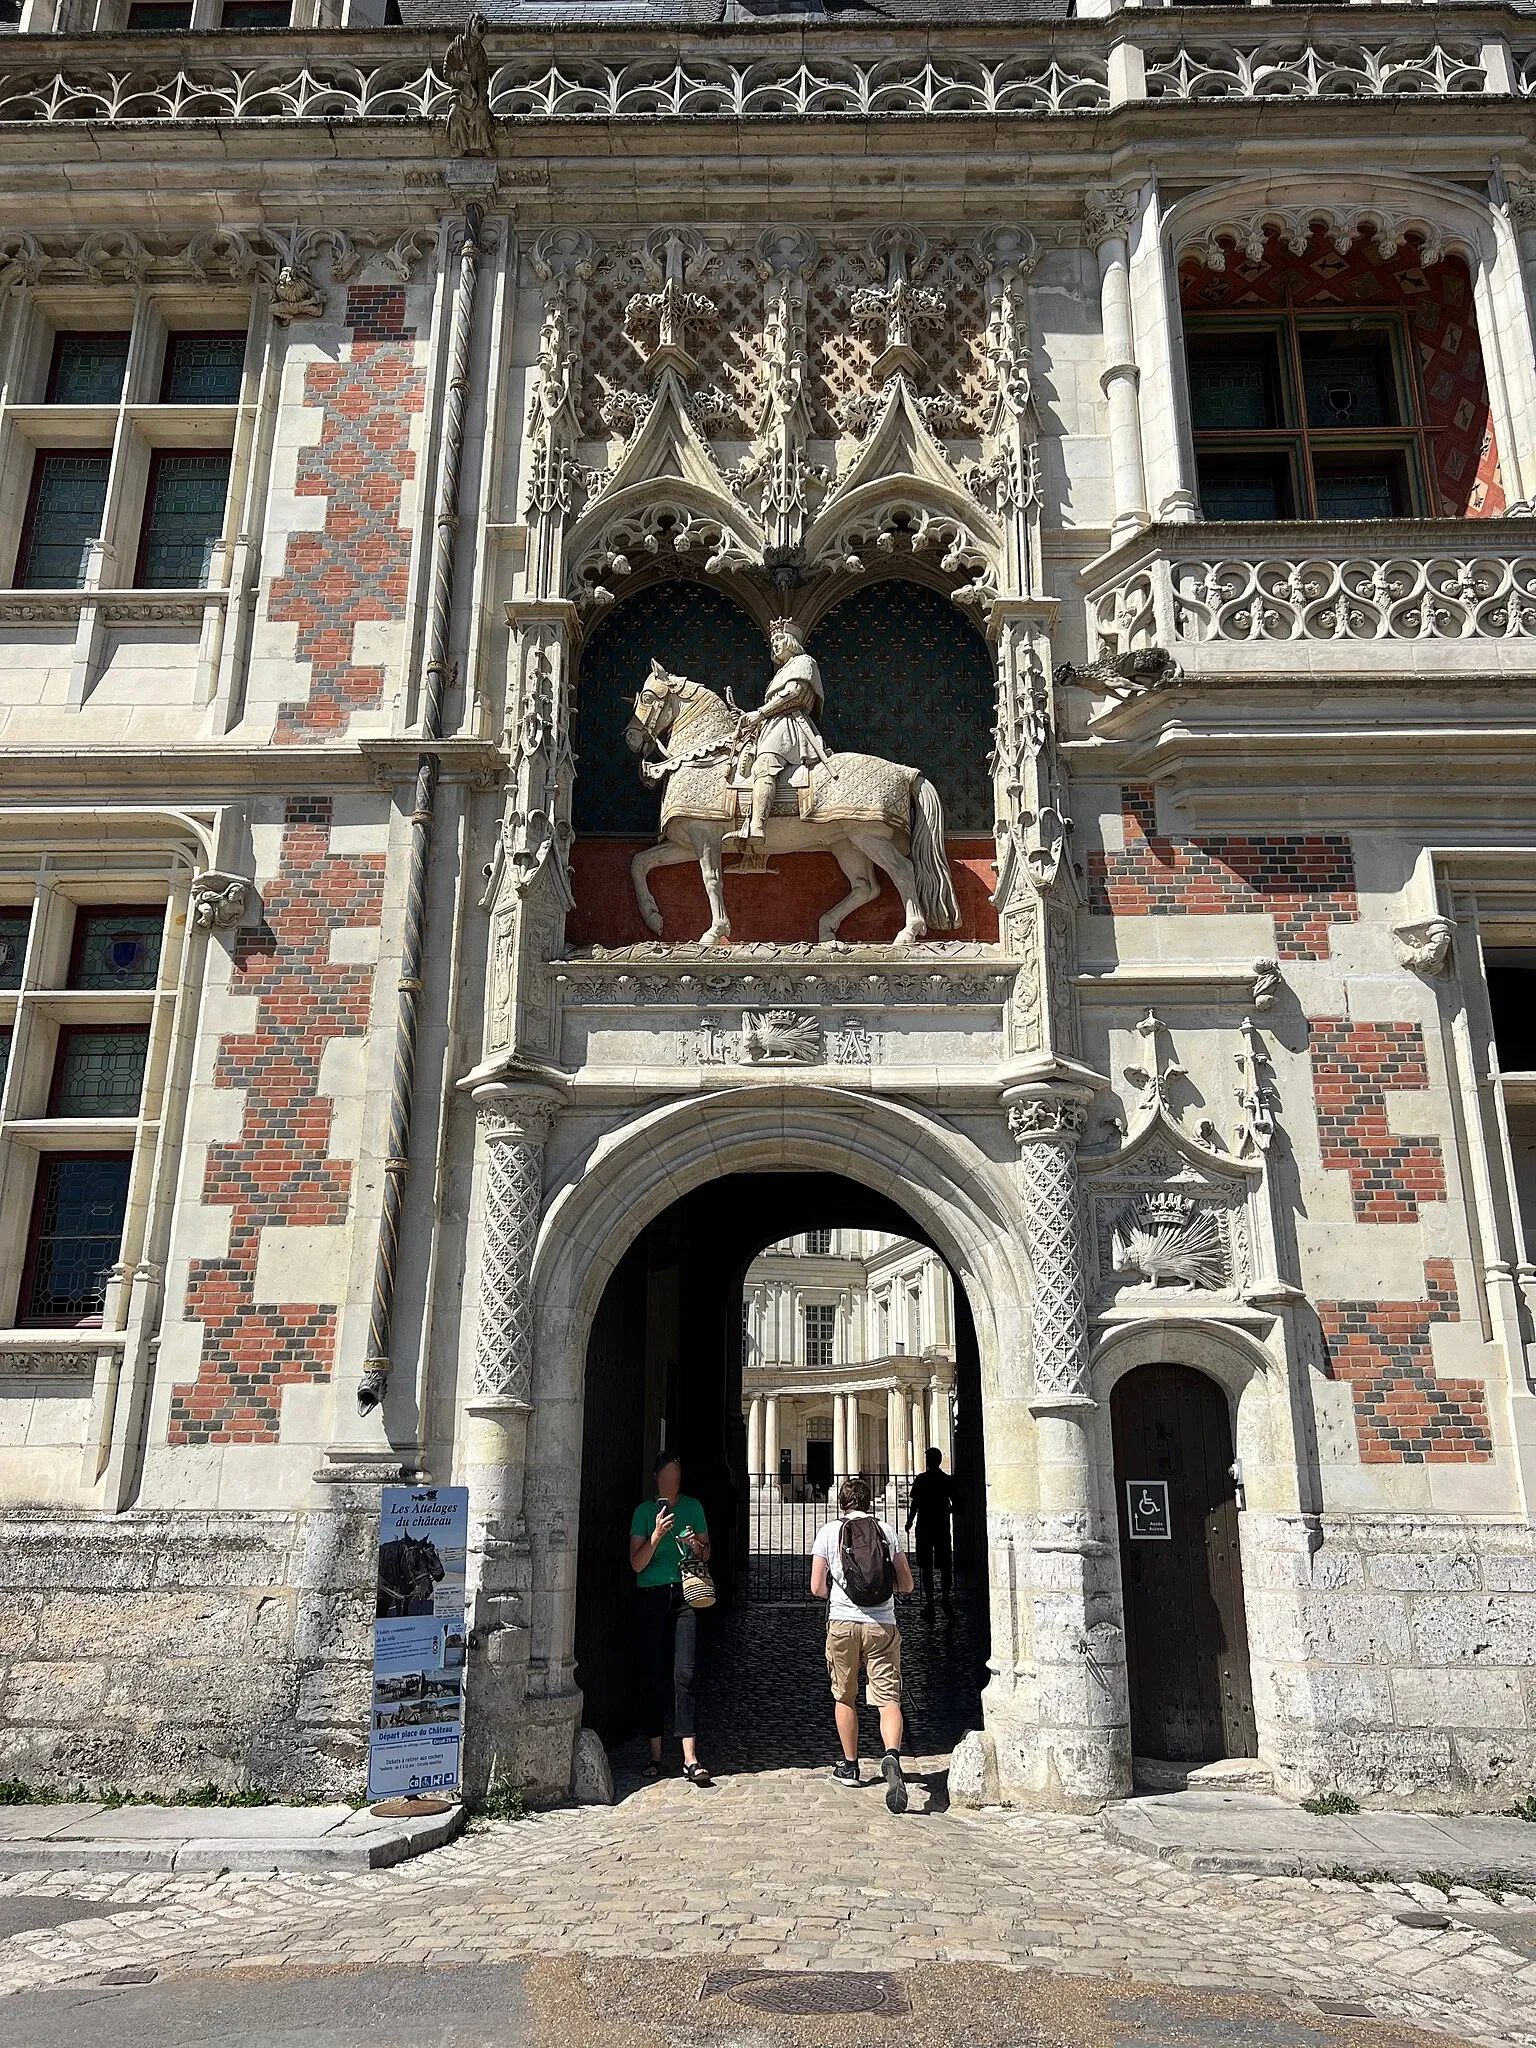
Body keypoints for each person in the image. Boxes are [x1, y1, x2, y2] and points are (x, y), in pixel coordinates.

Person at [810, 1475, 916, 1812]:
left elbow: (815, 1587)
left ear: (841, 1502)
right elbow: (907, 1584)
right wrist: (884, 1595)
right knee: (888, 1699)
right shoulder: (886, 1531)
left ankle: (851, 1765)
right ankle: (891, 1756)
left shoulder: (828, 1532)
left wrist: (839, 1597)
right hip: (882, 1623)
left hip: (843, 1622)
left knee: (845, 1694)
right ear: (869, 1502)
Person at [629, 1450, 713, 1786]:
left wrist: (696, 1546)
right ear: (657, 1478)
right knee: (653, 1675)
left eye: (676, 1477)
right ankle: (654, 1753)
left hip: (685, 1596)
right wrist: (657, 1536)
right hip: (651, 1595)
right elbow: (636, 1564)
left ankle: (690, 1757)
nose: (671, 1482)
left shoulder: (693, 1507)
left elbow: (707, 1552)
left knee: (685, 1674)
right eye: (667, 1476)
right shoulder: (644, 1512)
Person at [728, 618, 828, 846]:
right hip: (772, 725)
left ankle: (757, 827)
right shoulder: (783, 670)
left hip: (789, 726)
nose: (774, 644)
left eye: (779, 639)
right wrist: (749, 718)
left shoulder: (804, 662)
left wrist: (760, 713)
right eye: (772, 641)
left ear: (791, 641)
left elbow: (794, 693)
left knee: (764, 765)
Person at [906, 1446, 956, 1619]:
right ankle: (945, 1598)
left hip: (925, 1526)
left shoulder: (922, 1479)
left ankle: (929, 1604)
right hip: (941, 1526)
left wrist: (910, 1521)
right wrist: (947, 1511)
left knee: (925, 1567)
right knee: (945, 1566)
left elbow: (915, 1504)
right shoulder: (946, 1480)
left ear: (928, 1461)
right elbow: (957, 1502)